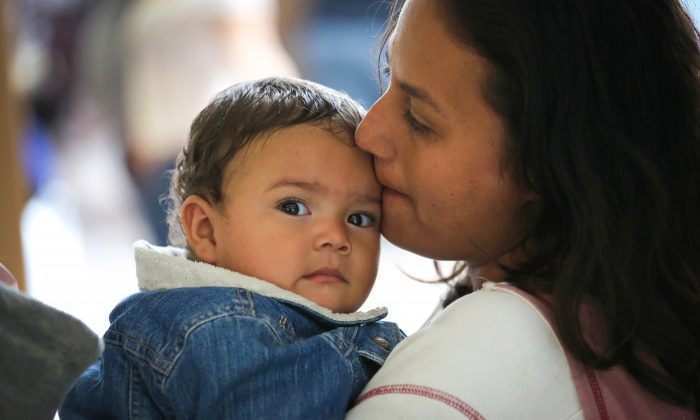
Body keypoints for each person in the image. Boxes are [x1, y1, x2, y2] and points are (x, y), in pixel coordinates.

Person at [346, 0, 700, 418]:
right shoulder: (646, 314)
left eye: (419, 119)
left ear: (546, 163)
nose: (367, 133)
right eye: (389, 76)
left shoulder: (454, 382)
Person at [58, 77, 404, 419]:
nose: (336, 237)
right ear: (206, 230)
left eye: (359, 218)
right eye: (293, 207)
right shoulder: (227, 328)